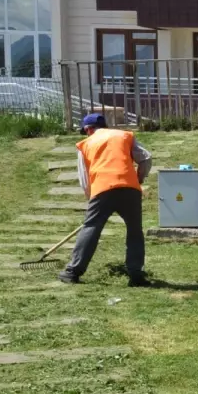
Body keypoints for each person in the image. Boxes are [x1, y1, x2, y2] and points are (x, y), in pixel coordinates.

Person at [59, 113, 152, 287]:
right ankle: (136, 275)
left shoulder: (86, 144)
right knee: (134, 231)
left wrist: (91, 199)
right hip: (130, 189)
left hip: (102, 189)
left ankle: (73, 272)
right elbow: (146, 158)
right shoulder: (124, 136)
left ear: (88, 129)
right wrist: (138, 179)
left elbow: (84, 178)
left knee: (91, 228)